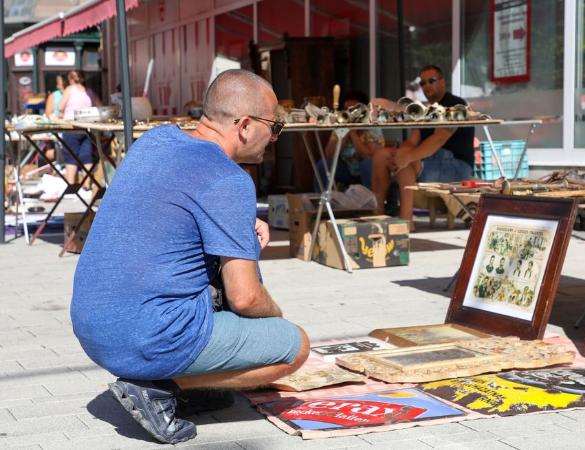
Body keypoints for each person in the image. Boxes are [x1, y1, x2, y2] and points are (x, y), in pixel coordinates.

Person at [70, 69, 309, 444]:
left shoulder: (155, 141)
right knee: (293, 346)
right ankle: (161, 386)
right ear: (245, 125)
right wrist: (275, 314)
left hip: (92, 326)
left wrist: (240, 227)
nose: (274, 137)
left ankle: (173, 379)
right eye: (275, 126)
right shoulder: (229, 179)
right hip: (144, 336)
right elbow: (245, 298)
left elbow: (173, 212)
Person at [372, 64, 475, 225]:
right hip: (432, 161)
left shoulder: (455, 105)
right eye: (423, 83)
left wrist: (405, 157)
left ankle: (406, 220)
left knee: (407, 160)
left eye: (431, 81)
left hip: (457, 166)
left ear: (442, 82)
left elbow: (438, 139)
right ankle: (377, 213)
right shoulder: (425, 109)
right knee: (380, 155)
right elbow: (412, 141)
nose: (426, 86)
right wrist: (399, 154)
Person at [317, 90, 384, 190]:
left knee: (367, 164)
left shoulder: (372, 127)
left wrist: (353, 134)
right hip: (348, 171)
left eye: (353, 110)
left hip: (368, 173)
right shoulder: (342, 125)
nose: (349, 113)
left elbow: (369, 156)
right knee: (324, 164)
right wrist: (345, 133)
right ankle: (323, 201)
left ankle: (373, 202)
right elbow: (329, 155)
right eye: (346, 109)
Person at [57, 70, 95, 199]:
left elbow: (60, 107)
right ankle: (87, 187)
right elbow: (98, 105)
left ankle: (71, 188)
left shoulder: (70, 89)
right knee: (86, 157)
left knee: (71, 157)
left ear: (71, 79)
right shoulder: (88, 91)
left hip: (71, 127)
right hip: (86, 128)